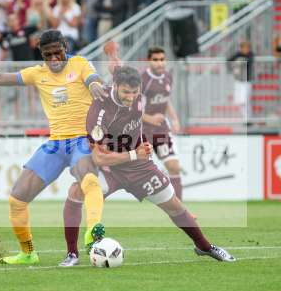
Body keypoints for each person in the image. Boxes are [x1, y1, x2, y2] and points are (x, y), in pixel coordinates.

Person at [0, 29, 108, 265]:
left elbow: (91, 78)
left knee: (88, 179)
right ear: (42, 54)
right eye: (48, 55)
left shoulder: (79, 63)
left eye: (57, 52)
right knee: (17, 199)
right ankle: (28, 253)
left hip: (82, 140)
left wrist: (95, 84)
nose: (54, 59)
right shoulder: (37, 74)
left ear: (65, 47)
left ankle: (93, 229)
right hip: (56, 144)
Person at [60, 65, 236, 266]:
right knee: (75, 192)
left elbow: (122, 71)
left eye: (135, 92)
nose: (131, 97)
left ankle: (205, 247)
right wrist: (135, 153)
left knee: (175, 206)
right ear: (116, 86)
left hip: (140, 168)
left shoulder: (137, 93)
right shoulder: (99, 111)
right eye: (126, 92)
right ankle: (72, 254)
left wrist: (114, 58)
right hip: (111, 167)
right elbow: (99, 159)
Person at [105, 43, 184, 201]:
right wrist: (151, 118)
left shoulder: (168, 77)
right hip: (140, 131)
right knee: (129, 170)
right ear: (149, 61)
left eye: (162, 59)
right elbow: (131, 108)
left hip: (161, 131)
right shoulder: (142, 80)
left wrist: (174, 119)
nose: (159, 62)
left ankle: (180, 209)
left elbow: (165, 101)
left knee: (174, 167)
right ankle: (96, 196)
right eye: (155, 59)